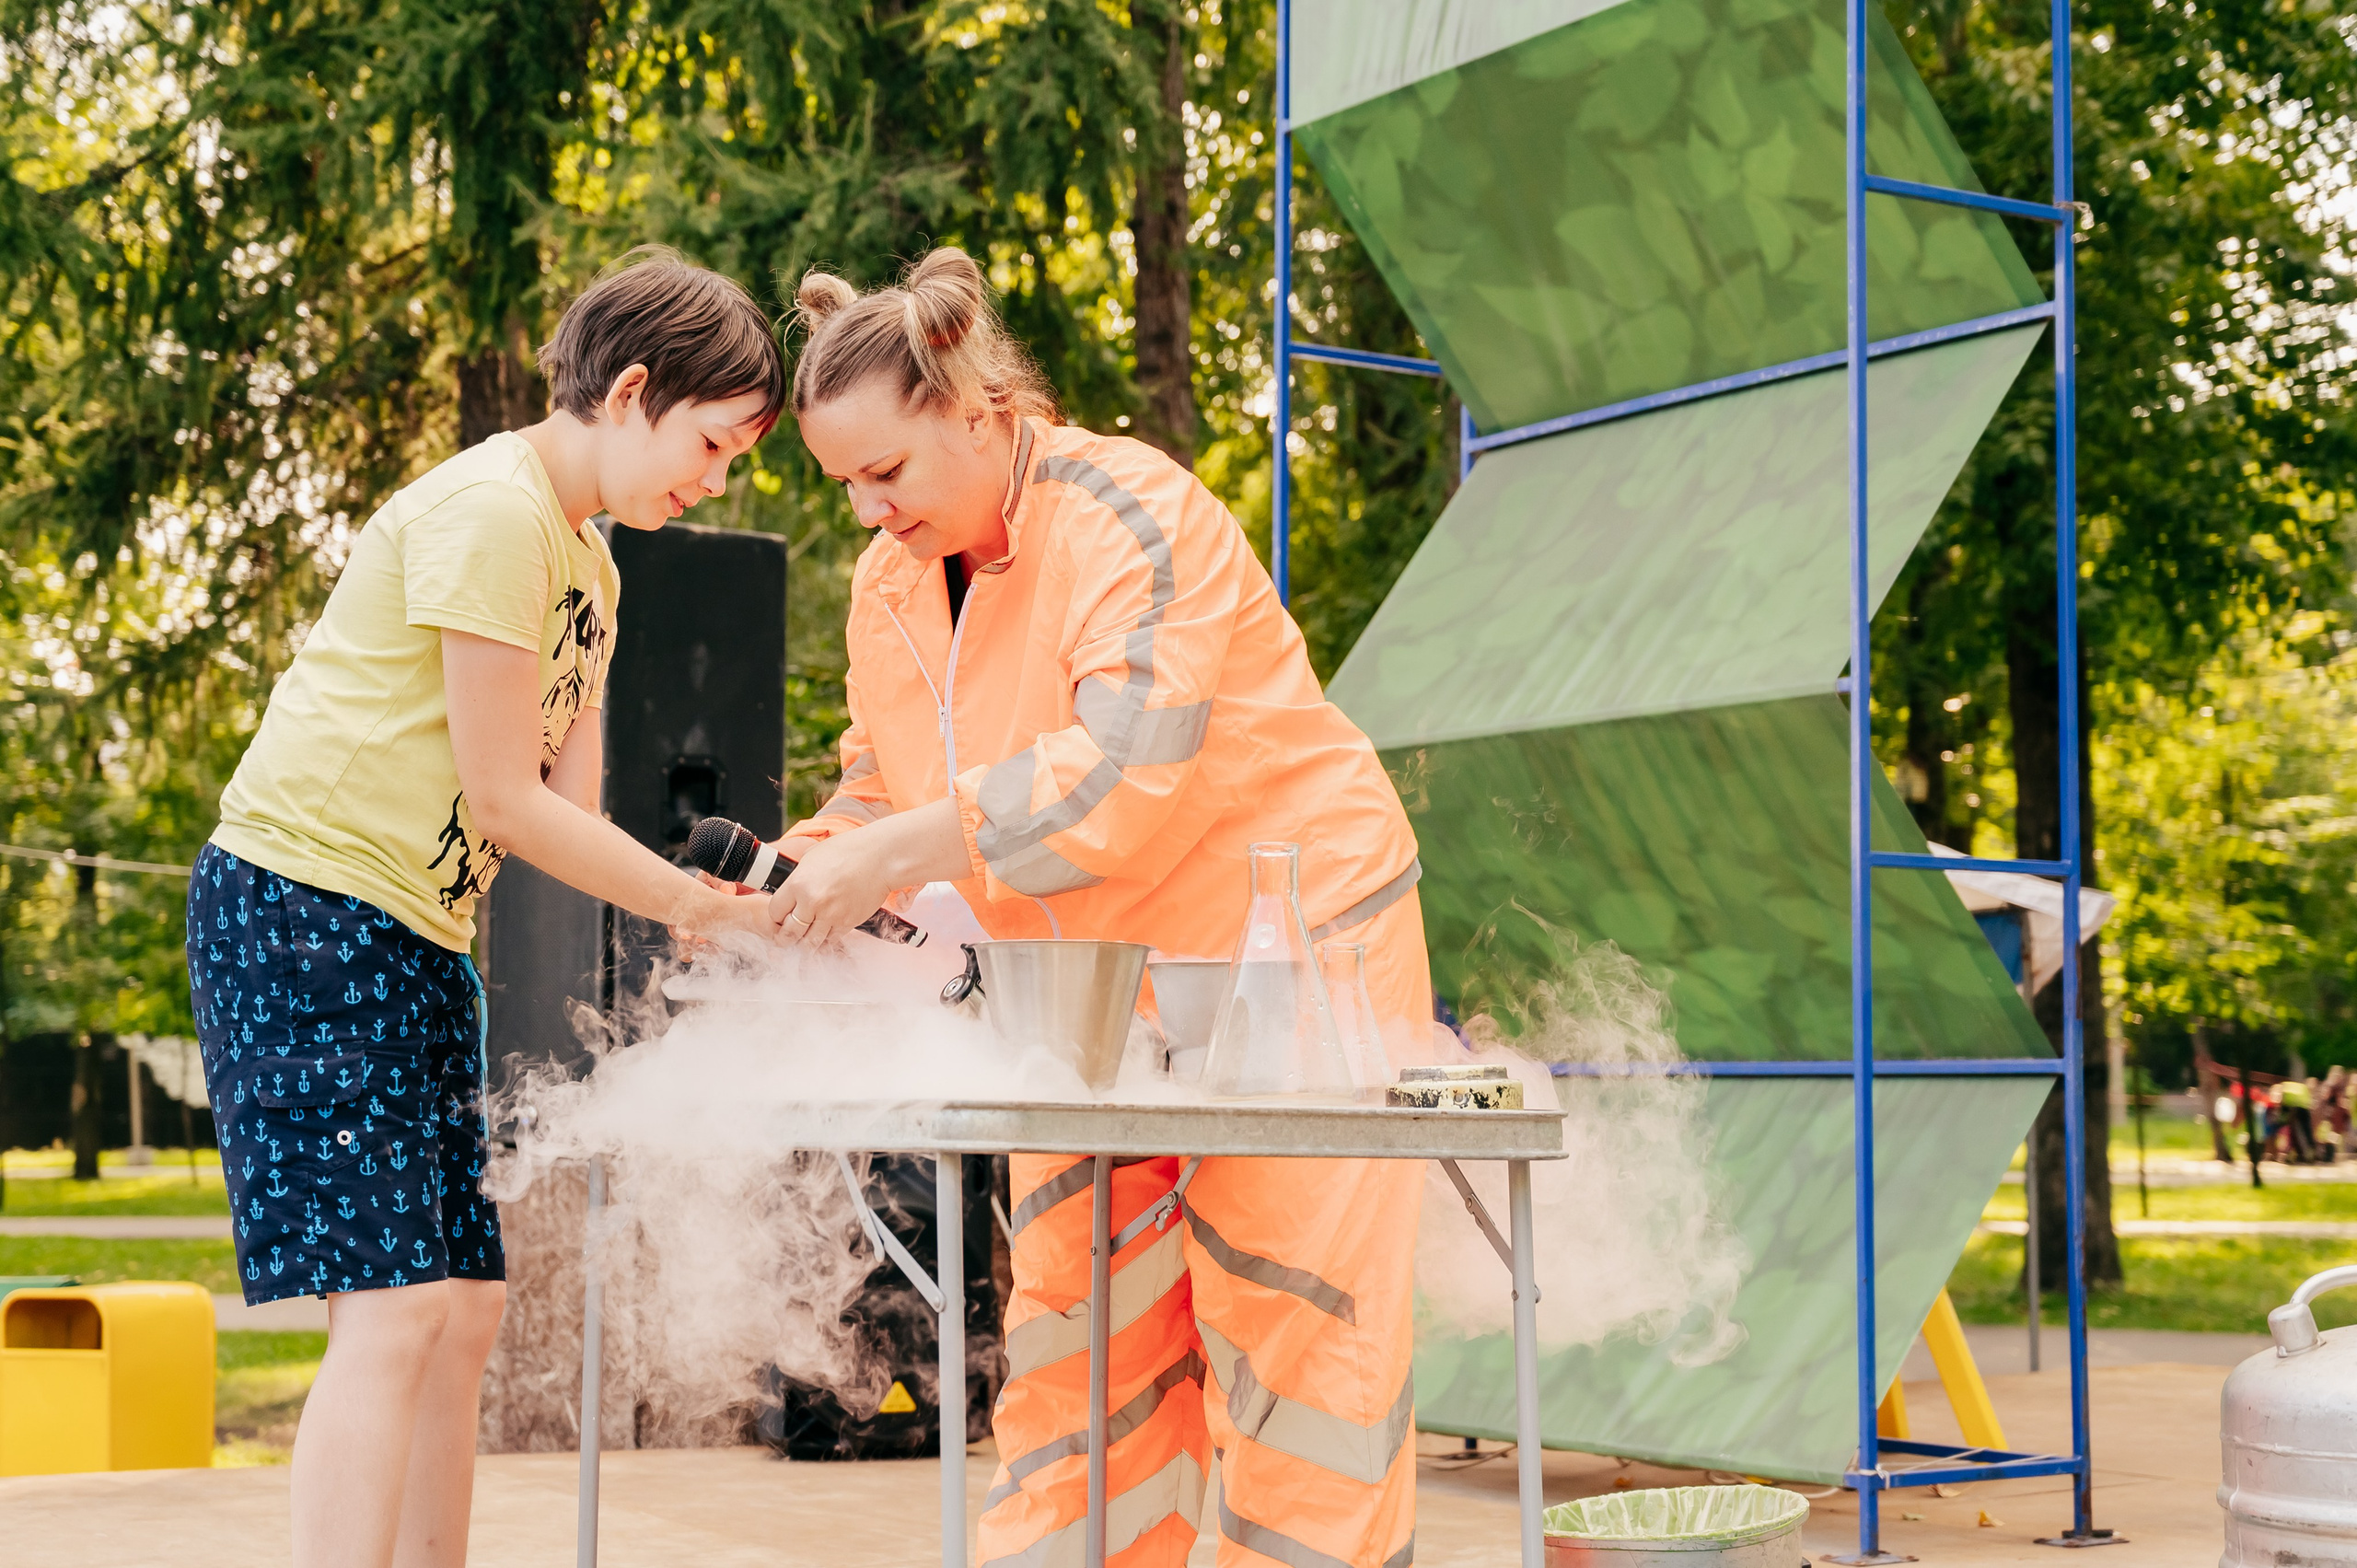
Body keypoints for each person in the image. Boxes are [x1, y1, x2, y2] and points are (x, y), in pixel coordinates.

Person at [772, 248, 1430, 1567]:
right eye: (842, 483)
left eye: (885, 474)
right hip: (1080, 989)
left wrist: (898, 842)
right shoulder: (889, 587)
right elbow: (881, 788)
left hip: (1287, 944)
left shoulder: (1131, 507)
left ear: (975, 407)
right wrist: (794, 877)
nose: (864, 512)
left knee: (1295, 1341)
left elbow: (1126, 766)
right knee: (1082, 1345)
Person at [188, 250, 786, 1568]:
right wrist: (698, 910)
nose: (716, 479)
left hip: (416, 935)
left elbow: (563, 818)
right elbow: (506, 802)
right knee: (395, 1309)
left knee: (462, 1308)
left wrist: (699, 907)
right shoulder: (490, 513)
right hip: (305, 907)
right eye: (712, 443)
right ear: (630, 390)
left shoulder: (597, 572)